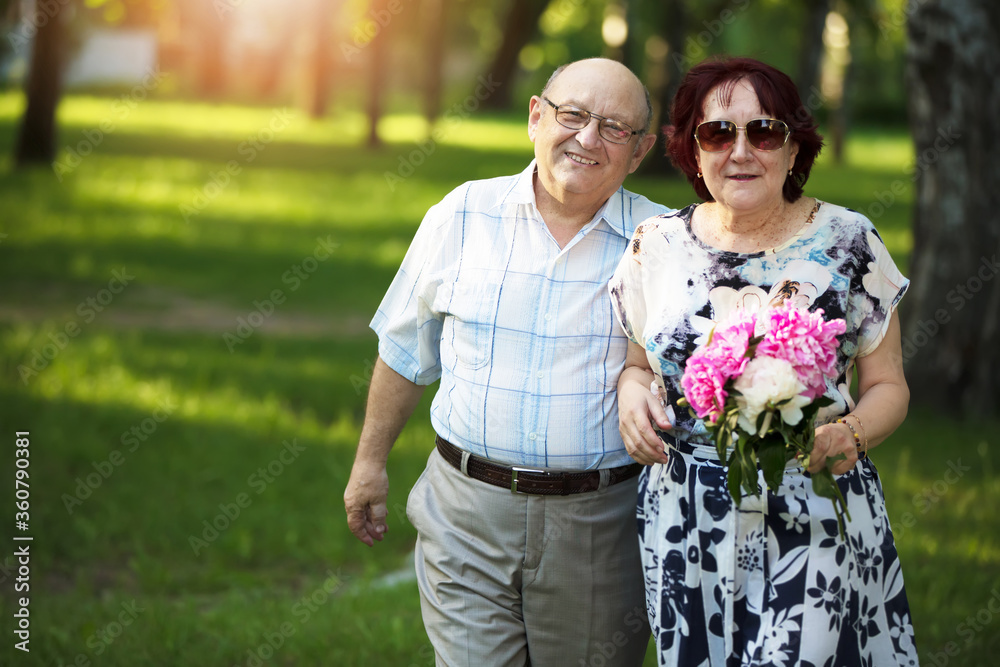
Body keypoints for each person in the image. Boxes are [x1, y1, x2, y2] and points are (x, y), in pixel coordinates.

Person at [344, 58, 672, 666]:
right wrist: (369, 464)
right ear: (535, 117)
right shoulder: (462, 214)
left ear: (640, 149)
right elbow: (404, 348)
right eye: (572, 115)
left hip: (600, 521)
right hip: (464, 511)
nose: (587, 138)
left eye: (614, 127)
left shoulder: (663, 240)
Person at [609, 56, 920, 666]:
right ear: (692, 150)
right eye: (718, 132)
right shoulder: (658, 245)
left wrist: (849, 434)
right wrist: (630, 398)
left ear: (794, 145)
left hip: (813, 497)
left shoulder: (848, 240)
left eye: (765, 131)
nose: (741, 151)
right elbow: (638, 366)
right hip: (685, 512)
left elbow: (890, 386)